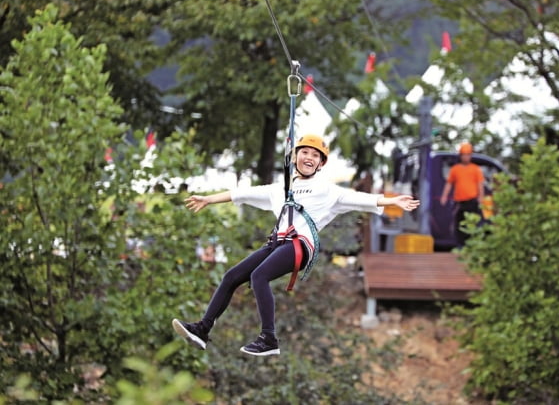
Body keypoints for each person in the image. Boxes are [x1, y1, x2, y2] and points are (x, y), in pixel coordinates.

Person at [172, 135, 420, 356]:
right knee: (231, 276)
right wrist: (208, 199)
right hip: (277, 244)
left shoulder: (327, 191)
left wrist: (392, 200)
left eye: (315, 155)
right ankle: (203, 329)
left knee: (259, 276)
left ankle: (268, 338)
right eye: (305, 152)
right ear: (295, 157)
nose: (309, 157)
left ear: (321, 163)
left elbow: (359, 199)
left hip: (301, 245)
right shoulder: (280, 190)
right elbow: (242, 194)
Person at [439, 142, 484, 248]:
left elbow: (480, 185)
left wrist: (481, 198)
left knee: (473, 224)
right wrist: (444, 196)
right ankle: (461, 246)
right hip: (459, 202)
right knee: (459, 225)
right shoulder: (455, 169)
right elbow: (449, 183)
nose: (466, 157)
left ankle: (472, 246)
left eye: (468, 154)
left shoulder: (475, 169)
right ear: (460, 155)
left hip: (472, 202)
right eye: (464, 154)